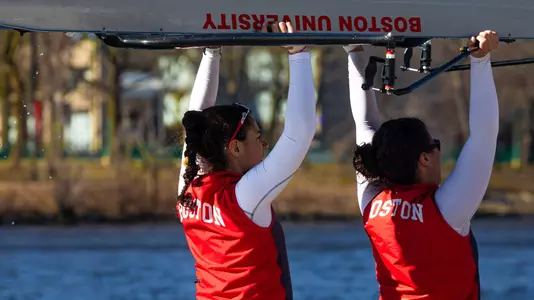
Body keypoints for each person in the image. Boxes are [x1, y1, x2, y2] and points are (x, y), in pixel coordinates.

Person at [345, 31, 499, 299]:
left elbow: (366, 124)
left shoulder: (372, 200)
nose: (440, 149)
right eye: (435, 143)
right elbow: (484, 137)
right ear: (424, 158)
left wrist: (481, 59)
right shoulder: (445, 210)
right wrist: (354, 52)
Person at [176, 21, 316, 300]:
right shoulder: (244, 196)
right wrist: (298, 53)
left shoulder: (189, 189)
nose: (264, 144)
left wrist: (211, 52)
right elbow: (298, 136)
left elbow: (196, 120)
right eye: (257, 137)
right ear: (235, 149)